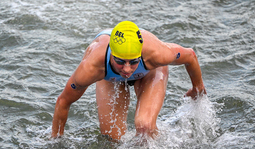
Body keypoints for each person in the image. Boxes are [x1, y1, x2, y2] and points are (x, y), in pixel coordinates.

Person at [51, 21, 206, 140]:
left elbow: (190, 56)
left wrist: (197, 88)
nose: (126, 69)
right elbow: (63, 101)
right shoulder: (92, 67)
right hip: (109, 77)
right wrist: (56, 140)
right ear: (111, 55)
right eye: (120, 61)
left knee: (145, 127)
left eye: (133, 62)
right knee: (112, 140)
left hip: (149, 71)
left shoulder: (156, 53)